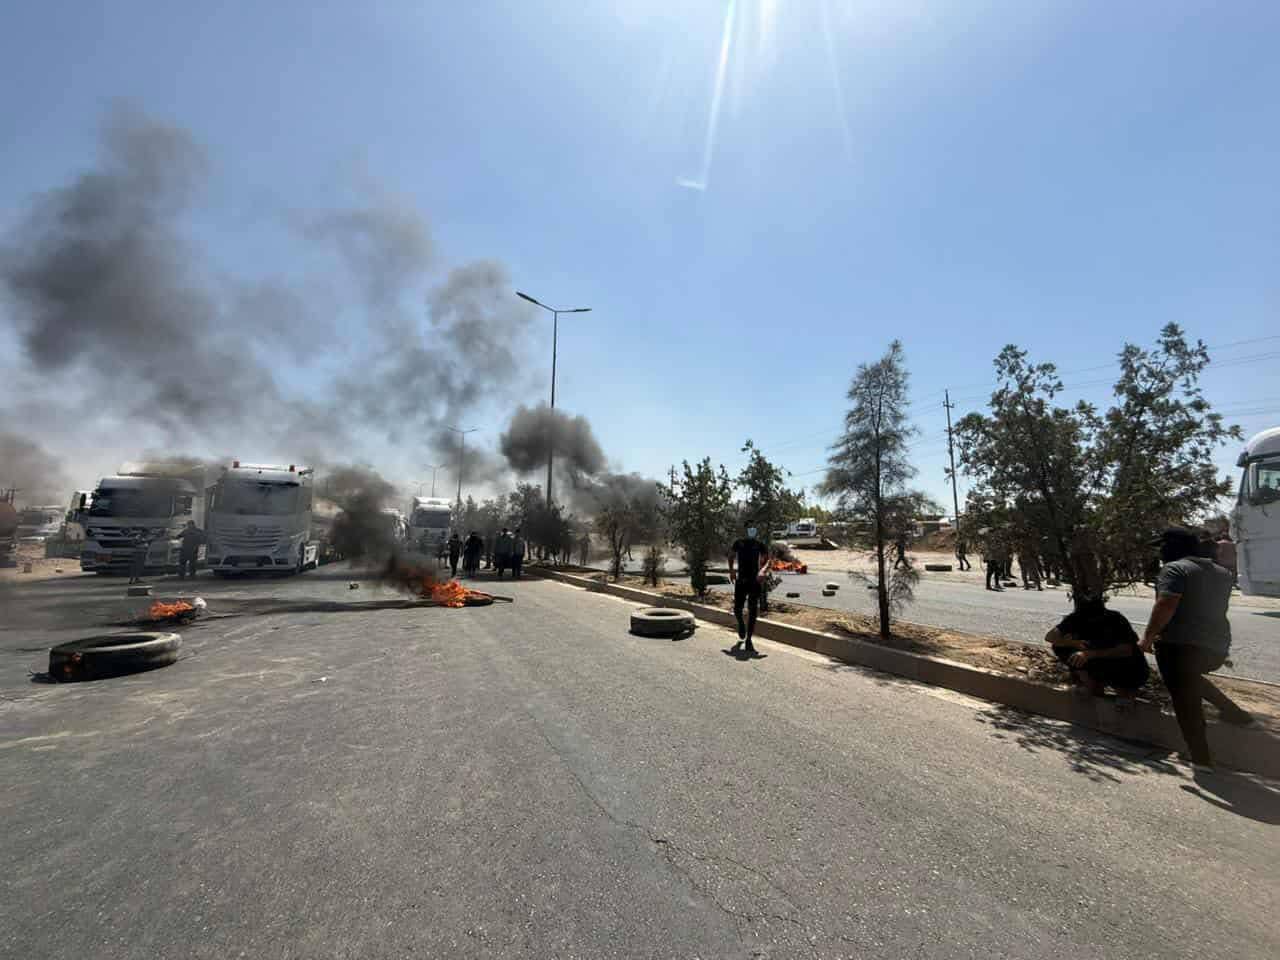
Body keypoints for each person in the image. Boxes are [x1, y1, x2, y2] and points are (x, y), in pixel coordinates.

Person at [1140, 527, 1253, 771]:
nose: (1160, 552)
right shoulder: (1222, 572)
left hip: (1179, 646)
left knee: (1184, 698)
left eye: (1162, 546)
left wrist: (1147, 638)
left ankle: (1200, 757)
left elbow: (1166, 604)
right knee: (1189, 678)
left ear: (1173, 547)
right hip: (1216, 647)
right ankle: (1234, 713)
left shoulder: (1174, 569)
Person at [1044, 598, 1148, 700]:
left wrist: (1090, 654)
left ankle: (1124, 693)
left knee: (1124, 672)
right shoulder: (1075, 619)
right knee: (1061, 647)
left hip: (1127, 667)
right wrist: (1074, 643)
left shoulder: (1115, 619)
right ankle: (1090, 685)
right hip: (1098, 663)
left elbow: (1127, 650)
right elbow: (1050, 637)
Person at [727, 524, 771, 656]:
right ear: (745, 531)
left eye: (754, 528)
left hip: (754, 581)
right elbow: (731, 556)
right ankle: (741, 624)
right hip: (741, 580)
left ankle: (749, 640)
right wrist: (731, 571)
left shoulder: (759, 544)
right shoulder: (738, 543)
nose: (752, 530)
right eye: (749, 528)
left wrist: (762, 571)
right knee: (737, 608)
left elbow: (768, 560)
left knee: (753, 610)